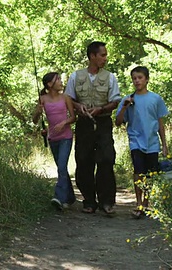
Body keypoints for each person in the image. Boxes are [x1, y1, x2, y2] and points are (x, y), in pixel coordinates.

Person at [64, 41, 121, 214]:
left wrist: (101, 109)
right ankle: (89, 201)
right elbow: (68, 99)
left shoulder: (110, 77)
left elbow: (115, 101)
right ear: (92, 56)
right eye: (102, 55)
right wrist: (77, 106)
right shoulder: (76, 76)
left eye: (105, 55)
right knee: (83, 160)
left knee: (106, 159)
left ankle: (106, 202)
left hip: (103, 123)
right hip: (84, 124)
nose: (105, 58)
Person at [115, 66, 169, 219]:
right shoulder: (128, 99)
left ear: (147, 79)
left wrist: (164, 145)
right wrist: (125, 106)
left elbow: (160, 123)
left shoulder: (156, 99)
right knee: (138, 172)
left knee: (149, 174)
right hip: (136, 141)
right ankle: (138, 203)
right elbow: (118, 122)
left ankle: (146, 203)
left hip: (152, 142)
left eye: (140, 78)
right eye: (134, 78)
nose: (137, 81)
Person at [33, 72, 77, 210]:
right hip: (52, 138)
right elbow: (34, 120)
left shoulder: (65, 98)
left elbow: (73, 117)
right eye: (57, 80)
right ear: (49, 84)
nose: (60, 81)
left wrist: (63, 123)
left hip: (66, 137)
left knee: (62, 167)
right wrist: (38, 112)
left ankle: (59, 197)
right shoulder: (43, 99)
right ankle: (70, 197)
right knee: (61, 168)